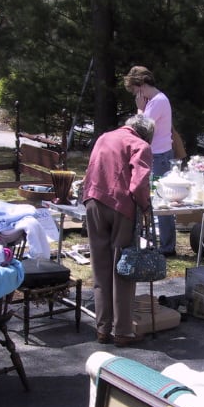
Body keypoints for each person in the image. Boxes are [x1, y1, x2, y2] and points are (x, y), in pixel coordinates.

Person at [82, 114, 154, 347]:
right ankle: (122, 331)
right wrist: (145, 206)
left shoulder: (104, 137)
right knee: (122, 269)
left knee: (100, 267)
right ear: (145, 134)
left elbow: (91, 169)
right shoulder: (140, 145)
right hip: (121, 206)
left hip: (93, 201)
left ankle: (103, 329)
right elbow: (139, 183)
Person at [124, 66, 176, 257]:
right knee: (150, 199)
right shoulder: (153, 102)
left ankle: (168, 246)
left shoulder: (158, 101)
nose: (136, 95)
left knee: (162, 202)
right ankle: (154, 240)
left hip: (159, 156)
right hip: (155, 154)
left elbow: (141, 128)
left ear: (141, 86)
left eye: (135, 90)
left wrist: (139, 108)